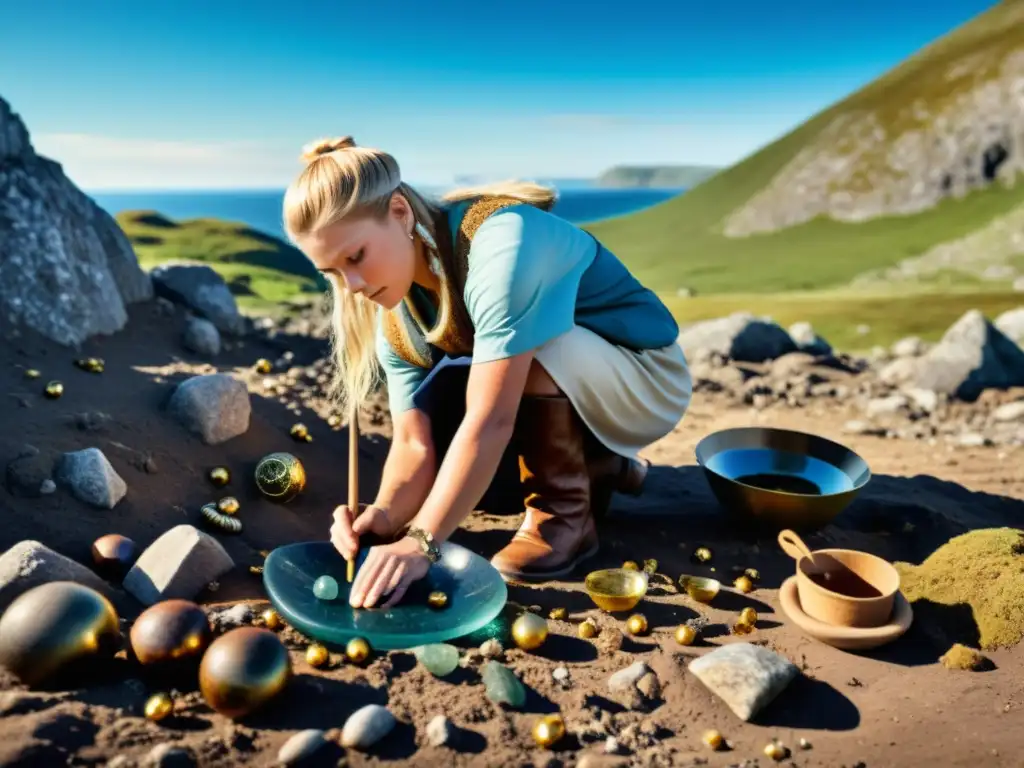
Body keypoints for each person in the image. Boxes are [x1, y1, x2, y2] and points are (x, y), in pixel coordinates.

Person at [282, 136, 692, 609]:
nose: (352, 287)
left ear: (399, 211)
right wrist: (385, 513)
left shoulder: (500, 245)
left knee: (521, 359)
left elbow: (491, 420)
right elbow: (413, 444)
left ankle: (563, 520)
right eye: (333, 272)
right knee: (446, 407)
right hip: (585, 393)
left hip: (648, 380)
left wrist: (421, 543)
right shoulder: (395, 318)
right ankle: (603, 465)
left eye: (356, 257)